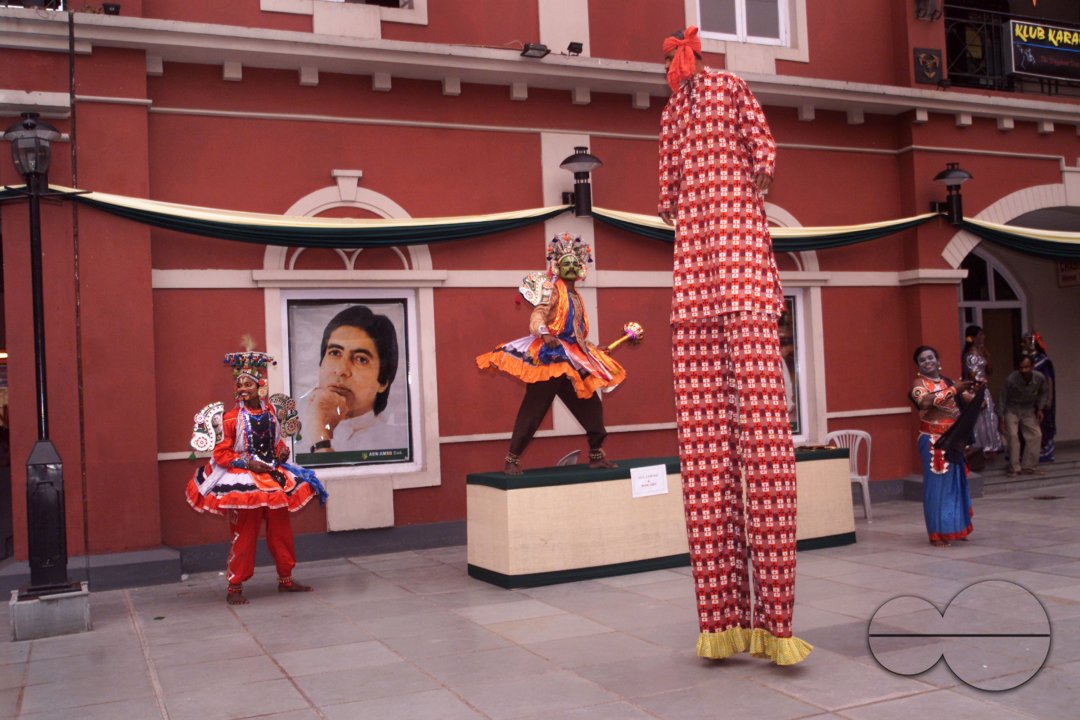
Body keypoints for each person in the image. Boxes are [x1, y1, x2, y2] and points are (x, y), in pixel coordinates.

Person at [658, 26, 810, 665]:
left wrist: (694, 202)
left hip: (700, 279)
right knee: (753, 456)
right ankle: (761, 626)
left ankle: (730, 624)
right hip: (735, 275)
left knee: (711, 463)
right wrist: (745, 189)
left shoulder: (680, 106)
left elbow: (668, 197)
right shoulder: (707, 97)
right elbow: (766, 157)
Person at [476, 232, 625, 475]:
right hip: (550, 356)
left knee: (590, 404)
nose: (570, 267)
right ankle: (512, 459)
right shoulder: (552, 290)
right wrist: (544, 333)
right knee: (535, 407)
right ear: (557, 267)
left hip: (572, 358)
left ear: (580, 270)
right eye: (565, 263)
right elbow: (538, 314)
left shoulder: (576, 296)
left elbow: (576, 334)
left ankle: (596, 454)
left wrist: (594, 350)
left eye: (574, 264)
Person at [187, 350, 328, 605]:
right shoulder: (230, 418)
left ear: (260, 387)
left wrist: (282, 452)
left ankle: (286, 578)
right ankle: (235, 586)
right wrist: (248, 463)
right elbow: (221, 454)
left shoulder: (272, 413)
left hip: (272, 477)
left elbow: (275, 444)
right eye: (239, 384)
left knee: (281, 530)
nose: (243, 389)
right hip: (244, 482)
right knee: (245, 531)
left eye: (248, 384)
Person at [299, 305, 402, 454]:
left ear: (383, 382)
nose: (341, 370)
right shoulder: (293, 428)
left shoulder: (394, 441)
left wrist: (320, 439)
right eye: (335, 353)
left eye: (361, 359)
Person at [910, 346, 977, 547]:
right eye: (922, 360)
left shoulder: (948, 382)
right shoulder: (919, 383)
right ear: (919, 365)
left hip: (953, 440)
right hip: (933, 442)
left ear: (938, 360)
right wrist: (954, 389)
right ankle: (937, 533)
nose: (927, 361)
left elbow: (971, 402)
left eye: (930, 357)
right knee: (937, 488)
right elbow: (924, 403)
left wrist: (976, 391)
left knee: (956, 485)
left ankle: (956, 529)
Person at [998, 355, 1049, 477]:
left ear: (1032, 367)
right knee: (1013, 435)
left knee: (1036, 434)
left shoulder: (1039, 378)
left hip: (1028, 409)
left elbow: (1044, 392)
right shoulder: (1011, 379)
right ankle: (1014, 467)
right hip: (1012, 409)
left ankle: (1029, 466)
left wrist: (1040, 408)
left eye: (1026, 367)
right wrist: (1001, 418)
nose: (1023, 370)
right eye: (1021, 367)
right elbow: (1002, 398)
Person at [960, 325, 1003, 453]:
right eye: (980, 335)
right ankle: (979, 447)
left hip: (984, 388)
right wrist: (978, 394)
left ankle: (989, 446)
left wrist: (987, 356)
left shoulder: (981, 352)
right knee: (979, 419)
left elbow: (989, 371)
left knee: (989, 417)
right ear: (973, 338)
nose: (983, 337)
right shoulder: (970, 355)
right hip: (976, 389)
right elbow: (972, 375)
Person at [1021, 331, 1055, 463]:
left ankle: (1043, 451)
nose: (1024, 344)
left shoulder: (1042, 360)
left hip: (1039, 397)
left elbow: (1048, 380)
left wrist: (1049, 397)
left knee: (1041, 425)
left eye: (1027, 341)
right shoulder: (1024, 360)